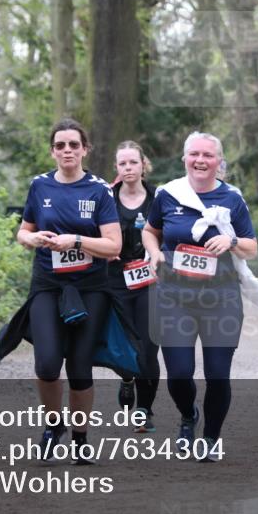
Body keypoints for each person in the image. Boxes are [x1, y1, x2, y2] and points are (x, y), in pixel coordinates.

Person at [0, 118, 121, 465]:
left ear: (85, 149)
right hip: (48, 285)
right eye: (60, 145)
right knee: (48, 362)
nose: (67, 150)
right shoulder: (39, 186)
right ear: (52, 151)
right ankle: (54, 427)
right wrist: (31, 239)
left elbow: (113, 246)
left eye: (73, 145)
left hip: (90, 288)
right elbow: (23, 231)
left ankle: (81, 439)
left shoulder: (99, 190)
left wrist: (77, 240)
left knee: (80, 367)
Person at [142, 132, 258, 462]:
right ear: (185, 159)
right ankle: (188, 414)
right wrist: (154, 253)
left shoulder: (232, 199)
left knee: (218, 375)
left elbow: (252, 246)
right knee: (179, 374)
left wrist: (231, 242)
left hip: (220, 297)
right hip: (173, 296)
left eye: (208, 155)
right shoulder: (168, 195)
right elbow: (150, 231)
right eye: (194, 154)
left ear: (219, 162)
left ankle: (209, 437)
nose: (200, 160)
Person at [109, 141, 160, 433]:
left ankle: (144, 409)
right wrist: (106, 248)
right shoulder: (107, 198)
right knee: (122, 344)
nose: (128, 168)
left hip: (149, 280)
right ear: (117, 168)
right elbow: (93, 229)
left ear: (143, 165)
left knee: (148, 347)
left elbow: (171, 230)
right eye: (122, 164)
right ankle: (127, 378)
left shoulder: (159, 197)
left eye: (133, 162)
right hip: (114, 280)